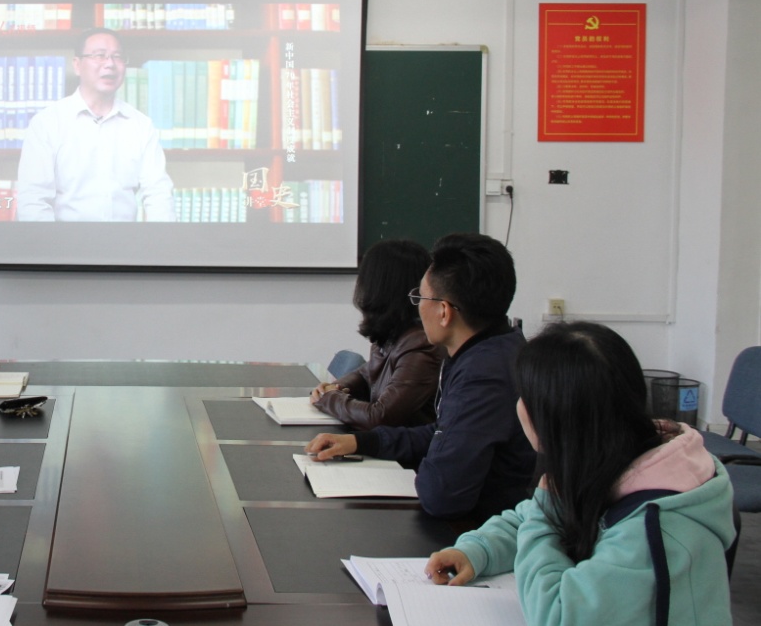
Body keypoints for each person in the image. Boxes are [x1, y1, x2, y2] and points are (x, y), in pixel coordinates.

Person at [425, 322, 736, 626]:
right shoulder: (618, 456)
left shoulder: (654, 526)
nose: (519, 405)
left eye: (524, 396)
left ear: (553, 419)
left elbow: (557, 616)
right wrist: (478, 550)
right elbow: (531, 517)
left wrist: (544, 510)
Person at [305, 233, 537, 525]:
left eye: (420, 297)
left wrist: (423, 464)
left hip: (477, 529)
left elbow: (441, 496)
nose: (417, 307)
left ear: (444, 311)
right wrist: (361, 442)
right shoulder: (492, 349)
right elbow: (441, 432)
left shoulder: (483, 377)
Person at [15, 27, 175, 221]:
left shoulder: (141, 125)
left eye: (117, 57)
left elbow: (159, 193)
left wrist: (160, 237)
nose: (110, 64)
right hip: (64, 239)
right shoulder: (47, 123)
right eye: (99, 56)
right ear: (77, 65)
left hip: (125, 239)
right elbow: (33, 200)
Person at [310, 239, 442, 429]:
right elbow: (366, 374)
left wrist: (329, 398)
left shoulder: (421, 344)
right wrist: (336, 387)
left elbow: (380, 417)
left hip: (401, 447)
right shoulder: (391, 333)